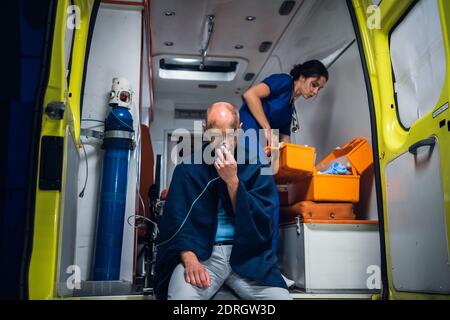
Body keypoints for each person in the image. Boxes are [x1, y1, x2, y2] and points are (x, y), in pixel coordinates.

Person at [153, 102, 291, 300]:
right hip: (202, 256)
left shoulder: (258, 166)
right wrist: (189, 259)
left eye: (229, 134)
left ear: (240, 131)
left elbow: (263, 220)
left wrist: (232, 181)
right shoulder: (187, 170)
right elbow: (175, 223)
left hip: (248, 255)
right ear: (204, 129)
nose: (222, 142)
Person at [239, 60, 329, 252]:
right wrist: (266, 127)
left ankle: (267, 257)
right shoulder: (283, 82)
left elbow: (285, 141)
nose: (315, 92)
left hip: (259, 144)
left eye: (319, 89)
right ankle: (264, 258)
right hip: (246, 134)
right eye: (314, 84)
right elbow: (250, 95)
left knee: (271, 197)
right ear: (302, 77)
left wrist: (295, 170)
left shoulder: (290, 107)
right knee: (267, 196)